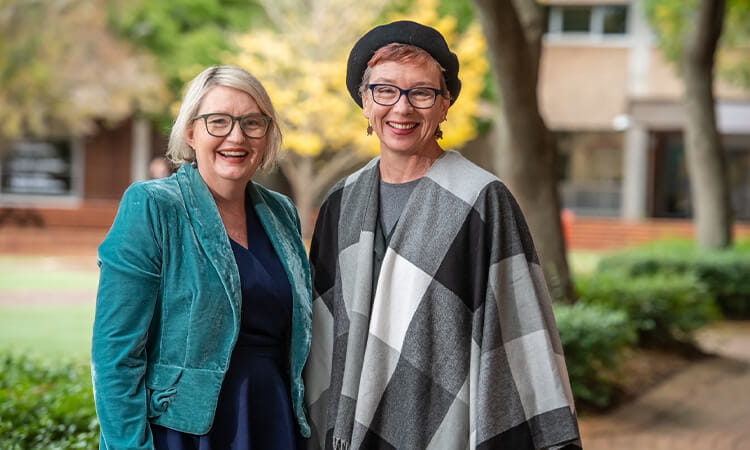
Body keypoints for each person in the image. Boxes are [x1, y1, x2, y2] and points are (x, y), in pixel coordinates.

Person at [305, 21, 581, 449]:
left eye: (421, 92)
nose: (401, 108)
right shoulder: (341, 202)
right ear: (364, 101)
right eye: (385, 90)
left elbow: (518, 330)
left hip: (445, 427)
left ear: (445, 102)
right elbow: (322, 337)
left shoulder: (481, 200)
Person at [92, 65, 312, 449]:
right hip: (184, 432)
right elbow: (115, 356)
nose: (237, 136)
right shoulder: (154, 206)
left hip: (272, 419)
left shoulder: (281, 212)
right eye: (219, 122)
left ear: (267, 135)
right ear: (191, 132)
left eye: (252, 123)